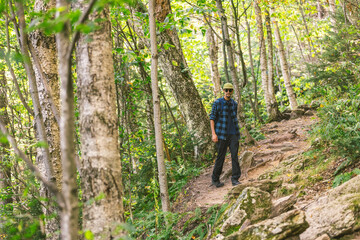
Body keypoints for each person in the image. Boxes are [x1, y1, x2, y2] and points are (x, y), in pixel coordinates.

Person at [209, 83, 241, 187]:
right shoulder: (218, 103)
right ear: (223, 90)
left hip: (233, 134)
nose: (228, 92)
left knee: (234, 156)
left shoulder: (234, 104)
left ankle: (235, 179)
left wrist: (237, 134)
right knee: (220, 157)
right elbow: (212, 118)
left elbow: (234, 118)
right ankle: (215, 179)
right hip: (221, 135)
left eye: (230, 90)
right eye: (226, 90)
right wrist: (214, 134)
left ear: (232, 91)